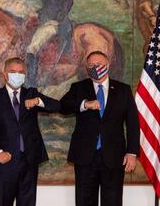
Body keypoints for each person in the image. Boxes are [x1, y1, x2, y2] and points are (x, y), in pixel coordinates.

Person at [60, 51, 140, 206]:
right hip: (85, 157)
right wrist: (84, 104)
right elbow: (63, 106)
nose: (95, 68)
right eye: (91, 65)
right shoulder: (78, 87)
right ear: (86, 67)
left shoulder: (123, 90)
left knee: (113, 201)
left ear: (108, 65)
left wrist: (132, 152)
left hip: (114, 157)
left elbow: (133, 123)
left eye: (99, 65)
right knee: (84, 201)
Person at [0, 57, 60, 206]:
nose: (17, 75)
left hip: (29, 162)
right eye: (13, 72)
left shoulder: (31, 94)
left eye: (21, 72)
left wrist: (38, 101)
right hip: (4, 162)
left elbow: (58, 106)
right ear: (5, 73)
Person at [25, 0, 73, 87]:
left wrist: (58, 18)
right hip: (45, 17)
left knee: (32, 47)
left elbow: (68, 3)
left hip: (55, 22)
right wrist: (38, 12)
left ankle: (31, 82)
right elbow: (48, 4)